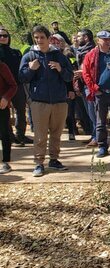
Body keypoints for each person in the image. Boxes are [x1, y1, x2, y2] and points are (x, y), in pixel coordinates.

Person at [18, 25, 73, 177]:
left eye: (42, 37)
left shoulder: (60, 56)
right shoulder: (29, 56)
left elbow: (70, 76)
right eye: (36, 38)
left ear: (49, 38)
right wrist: (31, 69)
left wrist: (61, 69)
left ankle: (54, 160)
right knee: (40, 135)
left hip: (59, 101)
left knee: (56, 133)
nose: (39, 40)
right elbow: (22, 78)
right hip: (39, 102)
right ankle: (38, 163)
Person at [82, 30, 110, 158]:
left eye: (109, 39)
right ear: (98, 40)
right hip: (101, 94)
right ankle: (102, 146)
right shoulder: (91, 55)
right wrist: (94, 88)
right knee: (101, 122)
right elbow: (86, 73)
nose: (106, 42)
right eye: (103, 39)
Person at [0, 27, 32, 146]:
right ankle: (10, 137)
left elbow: (21, 67)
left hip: (17, 85)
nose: (2, 38)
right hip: (3, 88)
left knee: (21, 110)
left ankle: (21, 135)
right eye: (0, 36)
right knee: (4, 113)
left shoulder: (16, 52)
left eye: (5, 36)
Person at [75, 29, 97, 147]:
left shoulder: (93, 51)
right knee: (89, 112)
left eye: (79, 37)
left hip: (90, 86)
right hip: (83, 84)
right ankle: (94, 135)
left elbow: (94, 69)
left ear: (86, 38)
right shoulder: (81, 51)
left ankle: (97, 137)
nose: (77, 38)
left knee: (93, 112)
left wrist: (82, 72)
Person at [0, 59, 17, 174]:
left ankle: (6, 162)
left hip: (1, 106)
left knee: (4, 133)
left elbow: (13, 86)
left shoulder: (2, 66)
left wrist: (6, 98)